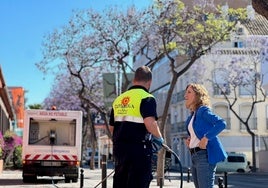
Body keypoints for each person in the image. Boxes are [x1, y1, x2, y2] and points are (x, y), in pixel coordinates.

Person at [109, 66, 164, 188]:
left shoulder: (119, 99)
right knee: (138, 182)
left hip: (120, 150)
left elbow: (112, 127)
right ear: (149, 82)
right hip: (139, 150)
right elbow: (150, 123)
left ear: (134, 80)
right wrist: (159, 138)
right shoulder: (146, 97)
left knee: (121, 183)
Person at [184, 83, 227, 188]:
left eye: (189, 92)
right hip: (194, 156)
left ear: (197, 96)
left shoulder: (202, 111)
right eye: (186, 93)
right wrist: (190, 140)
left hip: (204, 156)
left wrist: (206, 138)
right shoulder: (192, 116)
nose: (185, 95)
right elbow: (197, 132)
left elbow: (221, 123)